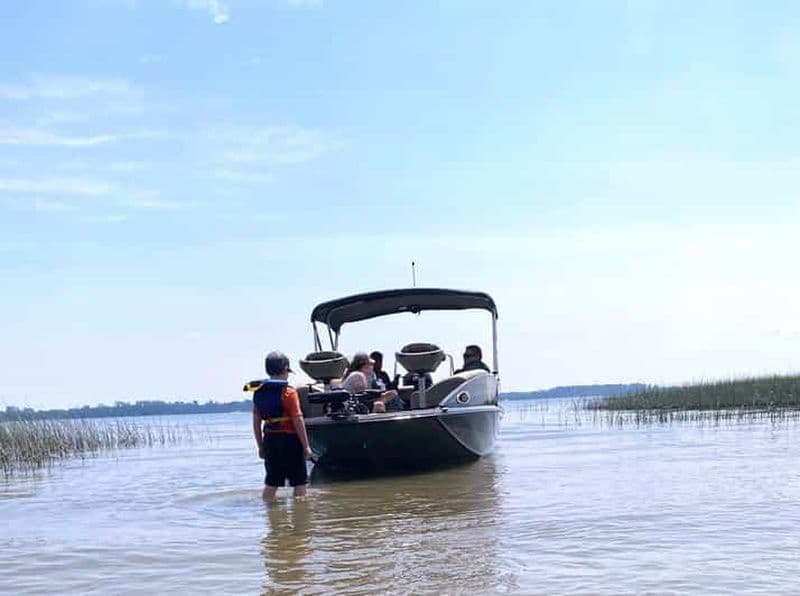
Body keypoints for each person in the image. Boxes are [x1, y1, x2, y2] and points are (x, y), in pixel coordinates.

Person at [252, 351, 313, 501]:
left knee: (272, 482)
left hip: (270, 440)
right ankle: (301, 516)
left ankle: (269, 514)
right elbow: (297, 419)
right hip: (291, 440)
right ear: (285, 369)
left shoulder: (259, 392)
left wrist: (260, 446)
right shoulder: (289, 392)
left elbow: (256, 422)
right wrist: (306, 446)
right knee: (299, 482)